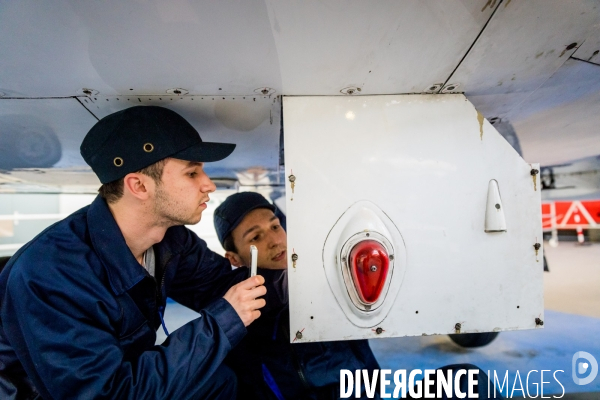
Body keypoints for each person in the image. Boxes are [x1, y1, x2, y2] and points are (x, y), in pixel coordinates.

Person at [0, 106, 286, 399]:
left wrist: (309, 279)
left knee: (221, 381)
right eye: (192, 172)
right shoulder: (52, 275)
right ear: (138, 185)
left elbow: (222, 286)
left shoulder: (171, 241)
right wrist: (223, 320)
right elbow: (107, 393)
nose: (208, 185)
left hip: (125, 375)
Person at [213, 192, 380, 400]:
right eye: (256, 237)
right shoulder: (238, 321)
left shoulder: (329, 277)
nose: (275, 241)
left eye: (275, 227)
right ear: (234, 258)